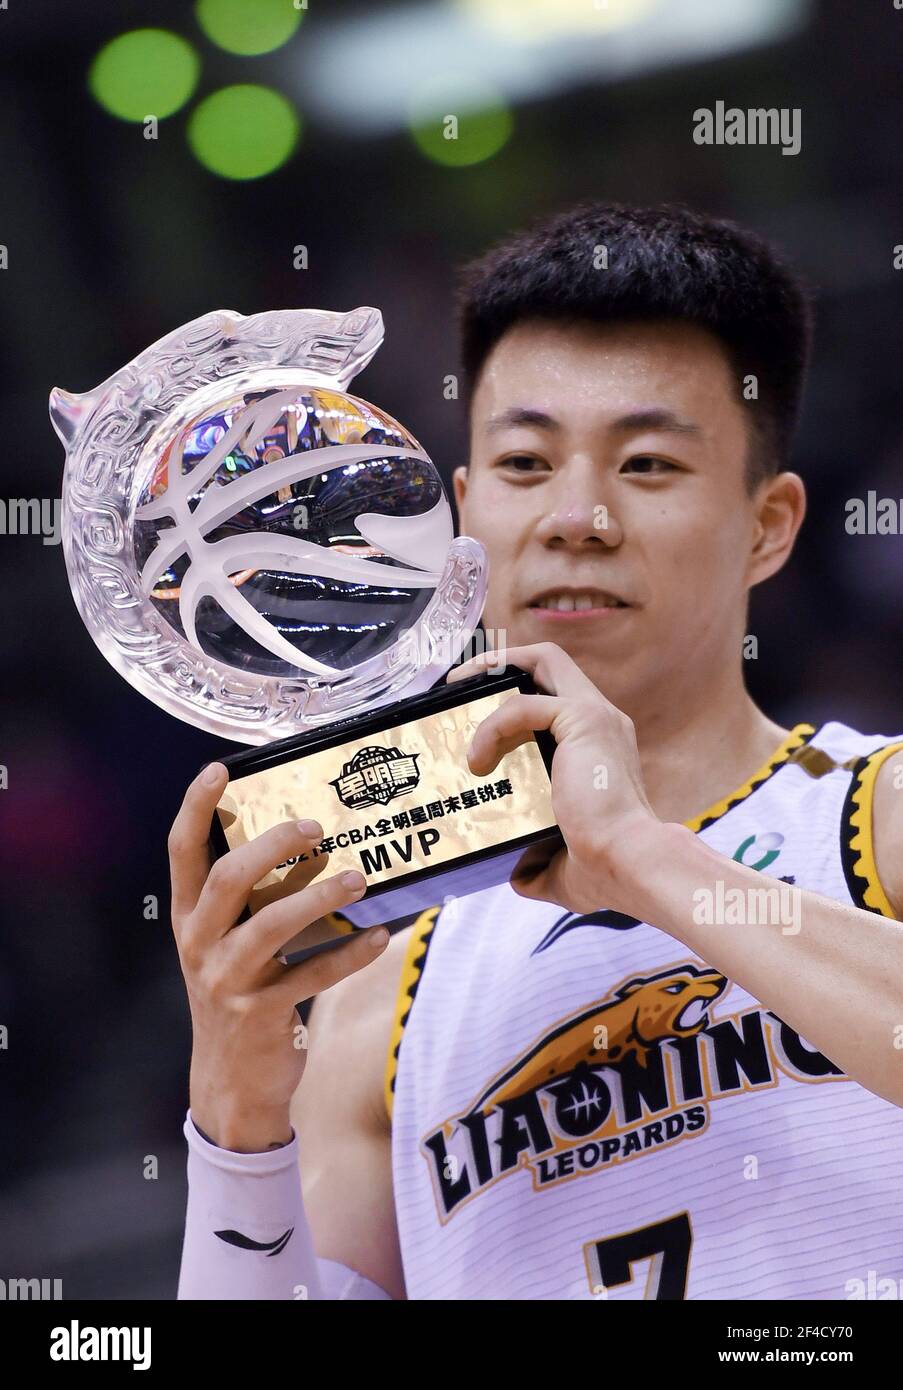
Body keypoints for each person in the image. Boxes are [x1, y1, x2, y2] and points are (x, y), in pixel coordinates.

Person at [172, 203, 903, 1301]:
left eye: (648, 463)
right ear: (462, 519)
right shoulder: (381, 990)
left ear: (770, 524)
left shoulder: (878, 812)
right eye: (523, 462)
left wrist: (639, 855)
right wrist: (236, 1127)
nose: (576, 516)